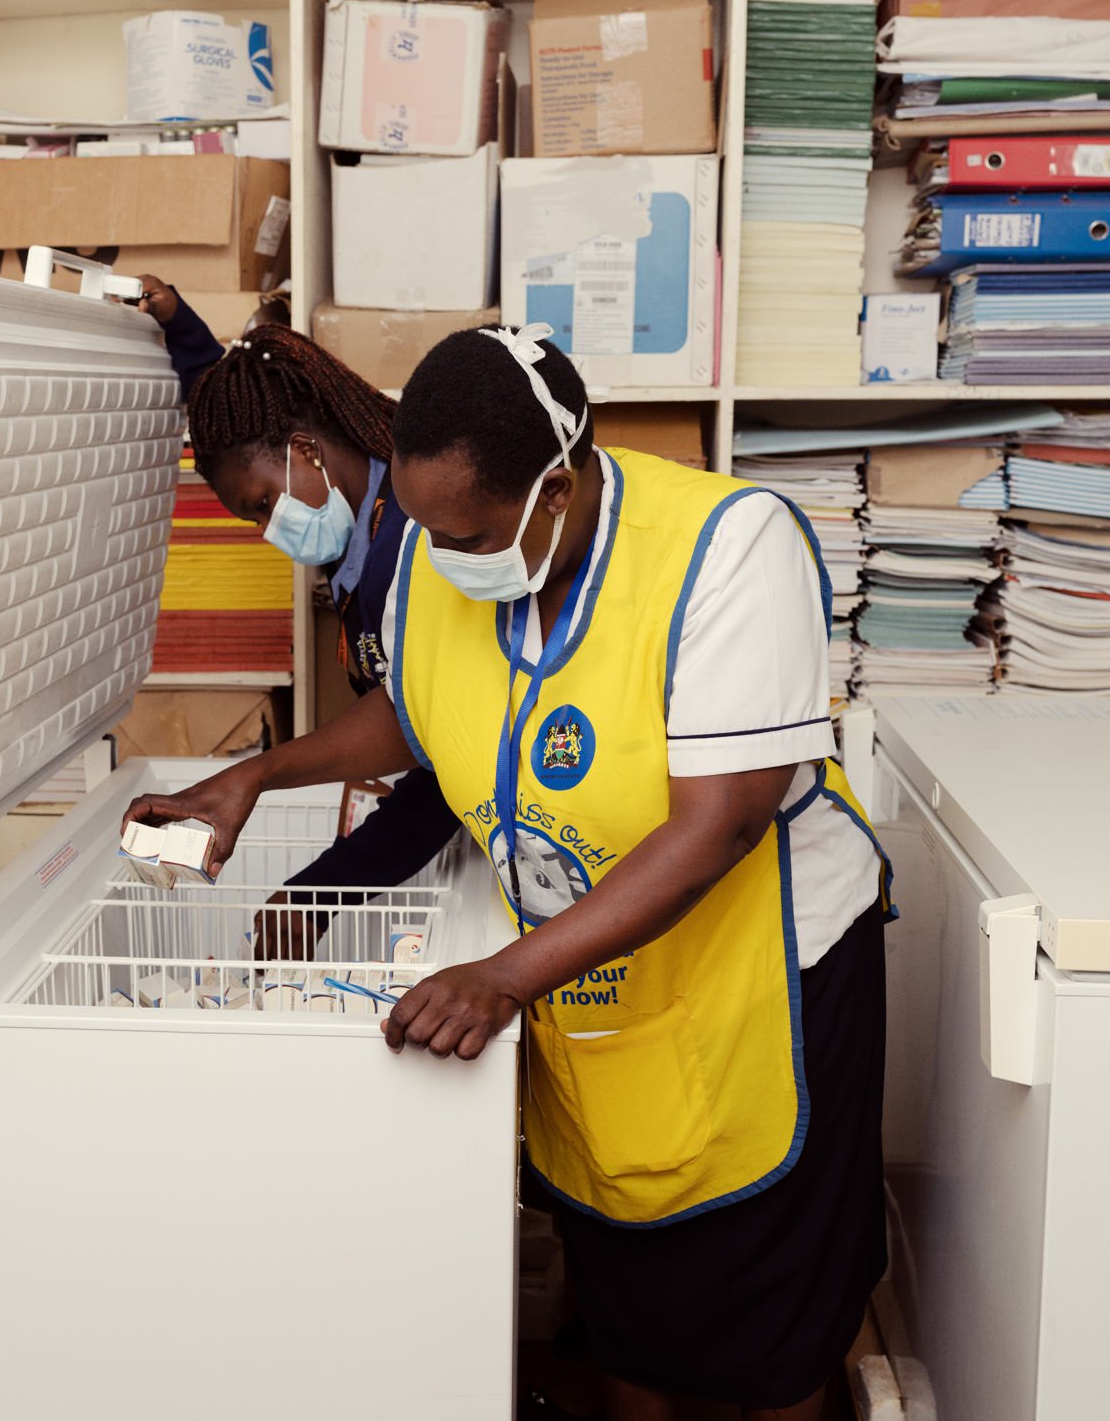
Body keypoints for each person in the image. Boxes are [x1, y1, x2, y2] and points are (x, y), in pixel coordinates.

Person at [125, 323, 894, 1421]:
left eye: (472, 532)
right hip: (589, 968)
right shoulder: (442, 553)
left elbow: (718, 825)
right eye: (429, 530)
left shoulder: (728, 547)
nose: (442, 559)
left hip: (761, 978)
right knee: (623, 1274)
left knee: (765, 1309)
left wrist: (503, 976)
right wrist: (260, 774)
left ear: (560, 483)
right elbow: (417, 718)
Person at [133, 276, 461, 954]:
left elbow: (441, 764)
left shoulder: (422, 549)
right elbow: (232, 408)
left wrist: (320, 889)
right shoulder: (360, 507)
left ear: (306, 449)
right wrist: (179, 324)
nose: (265, 529)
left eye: (260, 504)